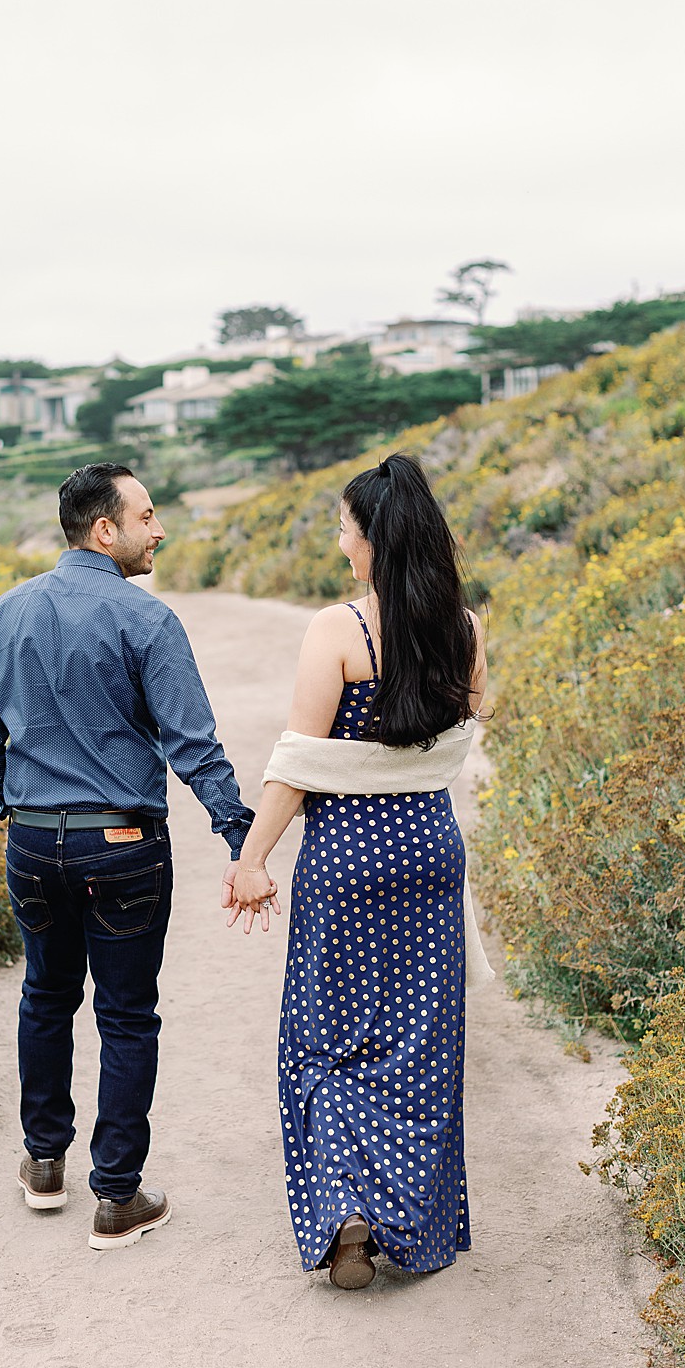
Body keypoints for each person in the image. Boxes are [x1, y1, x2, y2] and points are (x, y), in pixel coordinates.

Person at [0, 463, 255, 1250]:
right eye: (148, 516)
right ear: (105, 530)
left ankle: (44, 1162)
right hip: (122, 845)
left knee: (45, 996)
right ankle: (117, 1197)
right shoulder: (146, 619)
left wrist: (12, 804)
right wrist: (241, 836)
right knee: (126, 1015)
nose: (159, 529)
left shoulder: (6, 612)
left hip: (31, 841)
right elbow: (195, 745)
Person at [224, 453, 485, 1290]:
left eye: (344, 527)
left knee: (326, 1040)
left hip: (348, 858)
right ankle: (409, 1220)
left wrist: (252, 857)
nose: (339, 541)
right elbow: (459, 737)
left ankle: (344, 1208)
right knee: (419, 1046)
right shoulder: (466, 630)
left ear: (373, 541)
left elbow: (300, 761)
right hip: (429, 855)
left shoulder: (339, 630)